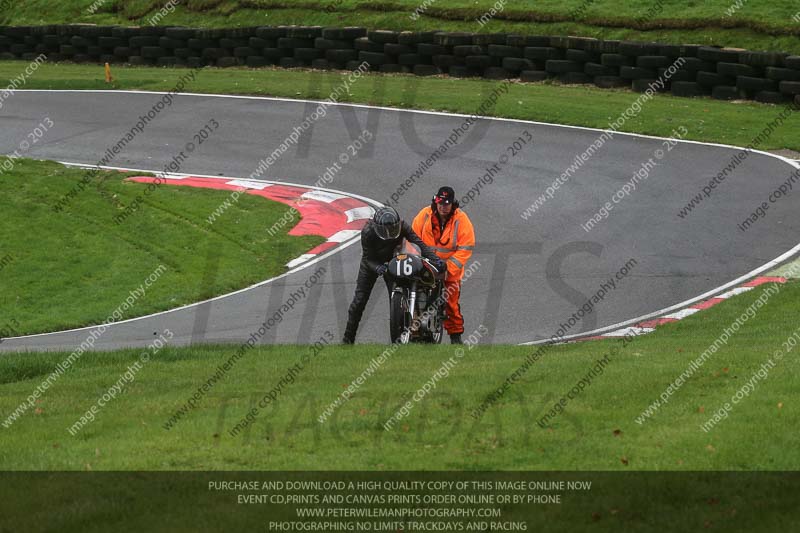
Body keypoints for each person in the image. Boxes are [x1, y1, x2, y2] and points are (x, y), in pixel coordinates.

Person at [342, 206, 444, 344]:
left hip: (393, 260)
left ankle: (405, 332)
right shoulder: (367, 232)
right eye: (386, 230)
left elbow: (418, 242)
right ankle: (347, 340)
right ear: (377, 227)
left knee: (395, 297)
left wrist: (435, 259)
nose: (389, 233)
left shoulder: (403, 226)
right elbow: (367, 258)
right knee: (359, 300)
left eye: (393, 229)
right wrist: (378, 268)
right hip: (372, 263)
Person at [412, 186, 475, 344]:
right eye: (440, 202)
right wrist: (415, 261)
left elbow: (466, 248)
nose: (443, 206)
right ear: (435, 201)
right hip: (425, 265)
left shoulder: (461, 220)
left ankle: (455, 337)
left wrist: (448, 267)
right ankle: (416, 332)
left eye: (446, 204)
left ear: (453, 204)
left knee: (451, 305)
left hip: (449, 270)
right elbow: (413, 239)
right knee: (416, 297)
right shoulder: (424, 215)